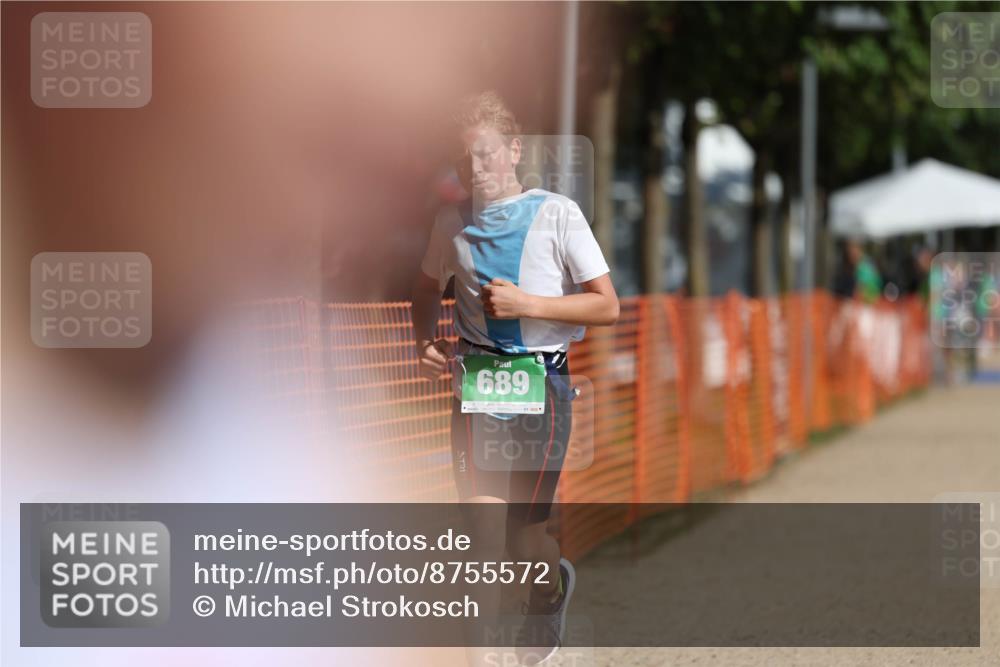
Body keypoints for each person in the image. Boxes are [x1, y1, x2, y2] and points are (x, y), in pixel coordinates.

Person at [411, 91, 618, 665]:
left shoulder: (557, 214)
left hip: (542, 389)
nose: (474, 169)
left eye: (484, 155)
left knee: (526, 541)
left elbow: (607, 307)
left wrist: (529, 302)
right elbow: (426, 290)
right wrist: (423, 339)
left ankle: (547, 596)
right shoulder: (449, 223)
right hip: (475, 388)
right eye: (461, 160)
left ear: (514, 150)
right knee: (481, 534)